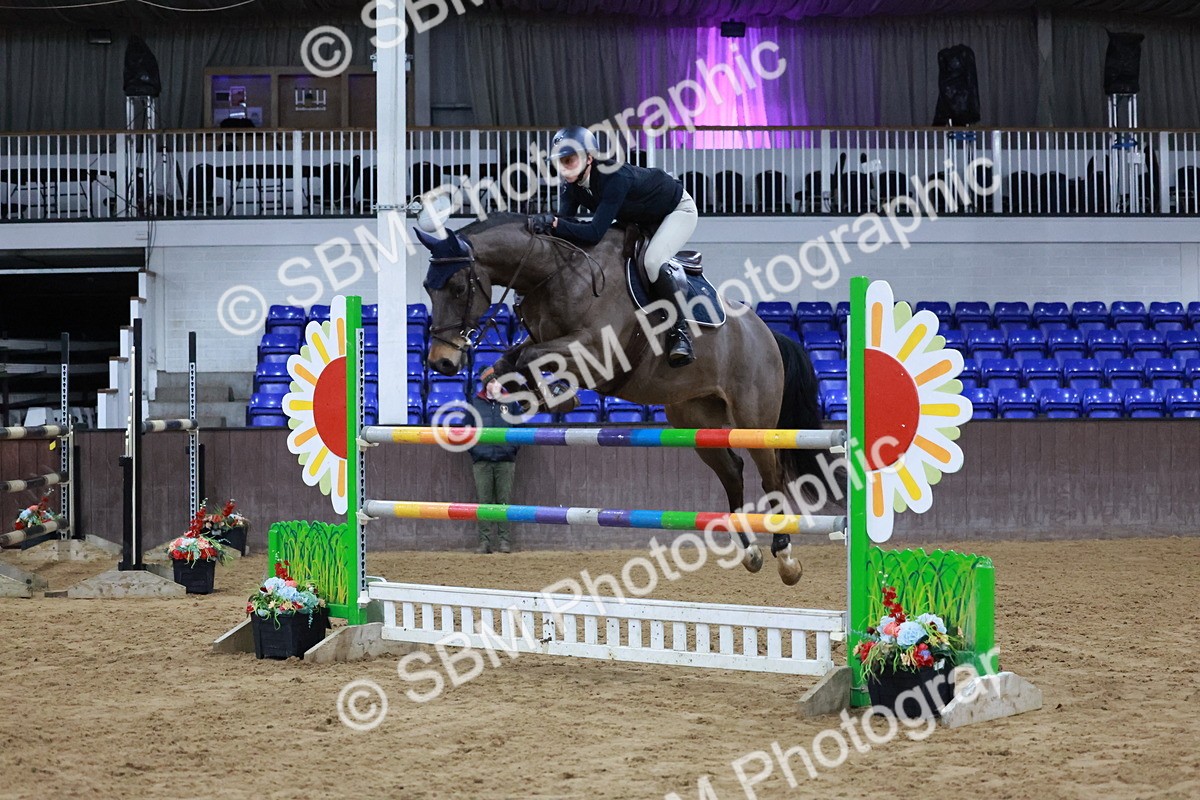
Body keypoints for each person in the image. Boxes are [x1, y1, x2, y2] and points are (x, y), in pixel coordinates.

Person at [527, 126, 698, 368]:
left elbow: (594, 232)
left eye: (569, 160)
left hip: (676, 210)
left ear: (589, 157)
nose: (564, 167)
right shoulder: (571, 186)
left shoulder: (613, 178)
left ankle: (681, 332)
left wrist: (555, 223)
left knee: (652, 261)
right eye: (560, 162)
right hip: (639, 217)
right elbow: (564, 226)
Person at [468, 367, 520, 554]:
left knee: (504, 501)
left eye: (497, 381)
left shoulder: (511, 403)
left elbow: (519, 429)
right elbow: (467, 431)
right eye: (491, 381)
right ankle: (485, 542)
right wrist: (476, 452)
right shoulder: (475, 404)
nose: (495, 384)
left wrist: (511, 450)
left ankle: (505, 541)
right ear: (485, 385)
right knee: (484, 502)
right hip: (482, 460)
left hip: (505, 460)